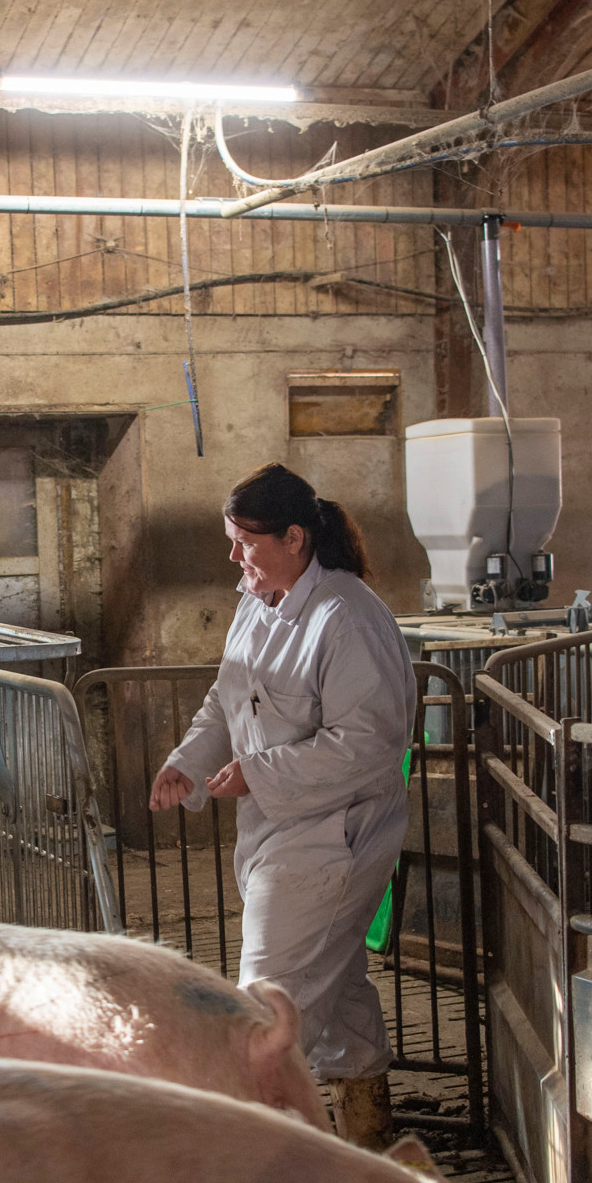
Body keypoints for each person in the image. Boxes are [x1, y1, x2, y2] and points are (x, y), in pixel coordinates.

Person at [150, 463, 416, 1143]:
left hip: (331, 839)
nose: (232, 556)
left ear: (294, 538)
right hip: (280, 832)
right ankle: (370, 1135)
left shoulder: (346, 619)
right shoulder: (257, 600)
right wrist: (189, 762)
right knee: (339, 988)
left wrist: (257, 773)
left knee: (265, 1010)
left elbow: (368, 745)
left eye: (245, 541)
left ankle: (265, 1159)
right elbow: (226, 696)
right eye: (231, 540)